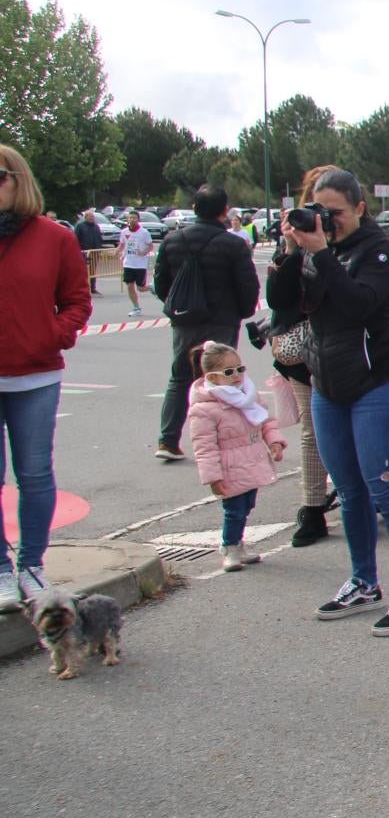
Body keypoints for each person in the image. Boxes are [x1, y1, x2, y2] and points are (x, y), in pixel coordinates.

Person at [268, 168, 389, 637]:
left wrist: (321, 254)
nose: (327, 221)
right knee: (350, 490)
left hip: (376, 383)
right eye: (319, 212)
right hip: (328, 387)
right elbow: (280, 302)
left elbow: (360, 304)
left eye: (335, 213)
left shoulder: (379, 250)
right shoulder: (318, 248)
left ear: (360, 208)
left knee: (385, 488)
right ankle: (363, 581)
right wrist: (290, 251)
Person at [0, 146, 92, 612]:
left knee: (34, 473)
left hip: (35, 375)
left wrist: (50, 336)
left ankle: (31, 565)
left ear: (18, 180)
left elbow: (77, 299)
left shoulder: (53, 237)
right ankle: (0, 567)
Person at [152, 185, 259, 462]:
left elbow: (161, 283)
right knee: (223, 380)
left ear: (195, 208)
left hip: (185, 320)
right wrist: (243, 311)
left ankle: (168, 439)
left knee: (179, 378)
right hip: (222, 319)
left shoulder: (172, 241)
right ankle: (225, 441)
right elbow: (248, 286)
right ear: (225, 211)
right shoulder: (234, 245)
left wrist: (178, 308)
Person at [267, 166, 335, 547]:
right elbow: (278, 299)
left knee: (347, 428)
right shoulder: (294, 239)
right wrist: (291, 248)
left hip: (344, 348)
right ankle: (312, 507)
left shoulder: (347, 240)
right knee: (312, 430)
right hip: (300, 351)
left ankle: (361, 496)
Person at [185, 340, 285, 573]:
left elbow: (265, 421)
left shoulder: (247, 395)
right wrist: (212, 476)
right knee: (234, 509)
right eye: (229, 372)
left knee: (247, 505)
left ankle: (239, 543)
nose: (237, 375)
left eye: (240, 369)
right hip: (229, 467)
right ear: (212, 377)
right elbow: (204, 446)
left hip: (252, 461)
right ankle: (229, 547)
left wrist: (274, 441)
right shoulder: (204, 408)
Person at [119, 210, 154, 317]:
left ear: (138, 219)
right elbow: (121, 244)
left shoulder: (144, 232)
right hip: (128, 263)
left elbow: (150, 246)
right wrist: (117, 251)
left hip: (140, 264)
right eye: (130, 218)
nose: (132, 219)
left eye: (134, 218)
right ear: (127, 219)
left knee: (140, 288)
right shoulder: (124, 232)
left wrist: (143, 252)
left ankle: (153, 288)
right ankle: (136, 307)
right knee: (130, 286)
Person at [74, 208, 105, 294]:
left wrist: (100, 248)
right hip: (84, 252)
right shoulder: (80, 226)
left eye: (93, 216)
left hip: (95, 252)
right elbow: (75, 239)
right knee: (83, 271)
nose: (92, 218)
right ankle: (82, 288)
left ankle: (93, 288)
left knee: (92, 271)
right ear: (85, 217)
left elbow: (99, 238)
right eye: (90, 216)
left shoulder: (96, 226)